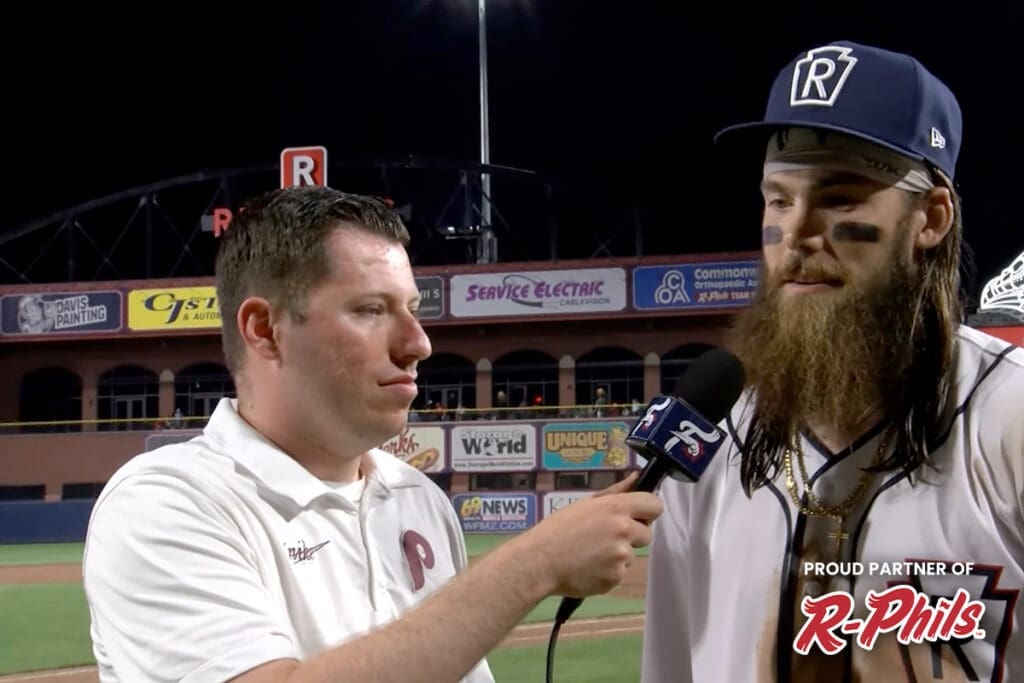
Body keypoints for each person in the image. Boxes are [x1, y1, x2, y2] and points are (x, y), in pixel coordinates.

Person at [82, 187, 663, 682]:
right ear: (265, 330)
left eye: (412, 309)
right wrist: (533, 565)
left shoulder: (418, 498)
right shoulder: (166, 501)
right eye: (370, 310)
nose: (418, 344)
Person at [642, 40, 1023, 682]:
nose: (796, 235)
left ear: (929, 219)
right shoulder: (706, 442)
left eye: (841, 198)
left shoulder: (1005, 416)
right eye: (779, 200)